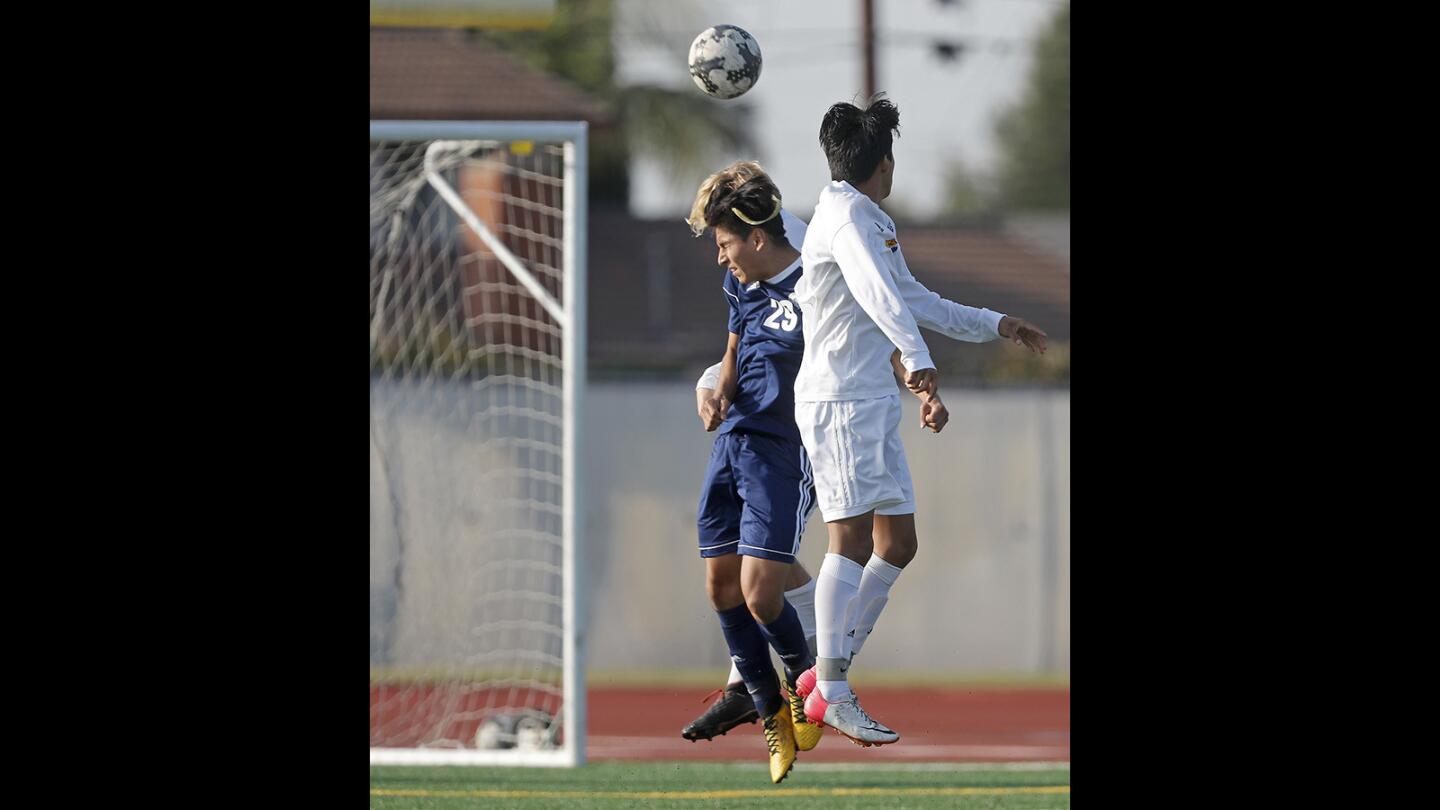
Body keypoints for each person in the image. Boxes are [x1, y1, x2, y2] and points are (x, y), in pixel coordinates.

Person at [790, 96, 1048, 747]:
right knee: (847, 539)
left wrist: (994, 323)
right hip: (841, 400)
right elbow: (881, 298)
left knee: (897, 543)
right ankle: (831, 684)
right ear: (884, 163)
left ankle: (827, 662)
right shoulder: (847, 219)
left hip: (870, 400)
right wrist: (917, 361)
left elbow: (910, 296)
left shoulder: (868, 219)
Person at [685, 163, 822, 783]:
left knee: (762, 590)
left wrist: (914, 375)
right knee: (722, 587)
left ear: (758, 239)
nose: (721, 258)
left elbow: (876, 335)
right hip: (732, 444)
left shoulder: (819, 283)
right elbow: (735, 351)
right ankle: (769, 712)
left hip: (786, 454)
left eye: (725, 244)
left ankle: (806, 685)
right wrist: (715, 390)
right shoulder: (743, 287)